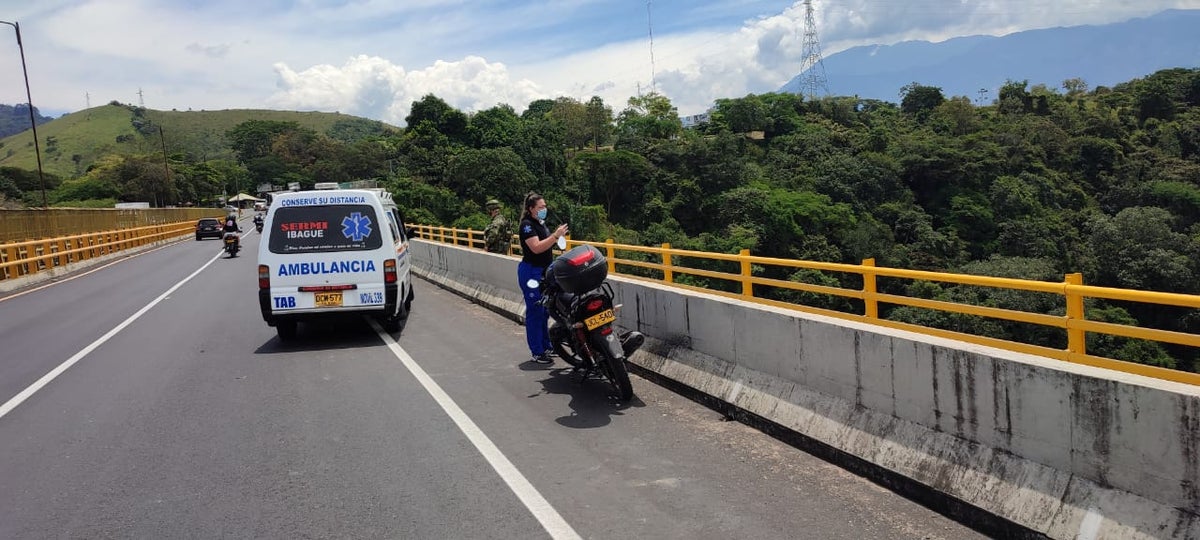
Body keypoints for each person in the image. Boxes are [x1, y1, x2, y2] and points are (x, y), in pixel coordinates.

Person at [517, 192, 568, 365]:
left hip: (545, 272)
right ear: (531, 209)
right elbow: (537, 248)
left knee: (546, 310)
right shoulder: (527, 226)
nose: (544, 209)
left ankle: (546, 346)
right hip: (532, 272)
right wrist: (555, 236)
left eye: (545, 206)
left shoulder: (540, 223)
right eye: (540, 207)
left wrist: (557, 238)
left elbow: (547, 244)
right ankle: (537, 351)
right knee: (535, 311)